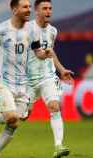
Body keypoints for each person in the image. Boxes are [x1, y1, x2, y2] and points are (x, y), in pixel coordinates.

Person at [0, 0, 44, 157]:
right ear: (14, 10)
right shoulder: (0, 29)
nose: (29, 10)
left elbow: (37, 51)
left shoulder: (33, 30)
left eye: (29, 7)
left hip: (23, 83)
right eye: (25, 7)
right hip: (2, 81)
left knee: (15, 122)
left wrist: (45, 55)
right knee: (11, 117)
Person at [26, 0, 73, 157]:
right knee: (21, 116)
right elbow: (40, 55)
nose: (48, 11)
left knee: (54, 106)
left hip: (47, 76)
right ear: (36, 11)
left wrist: (61, 70)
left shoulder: (53, 31)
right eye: (44, 8)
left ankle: (58, 147)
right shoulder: (28, 29)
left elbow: (50, 53)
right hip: (29, 79)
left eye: (50, 8)